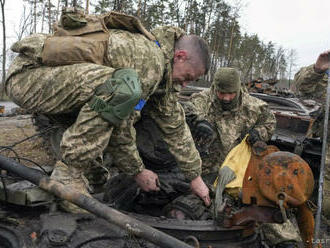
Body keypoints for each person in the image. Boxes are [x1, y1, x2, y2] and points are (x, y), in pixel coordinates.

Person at [5, 10, 211, 213]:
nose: (184, 85)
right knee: (123, 88)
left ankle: (90, 173)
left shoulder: (163, 72)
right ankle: (69, 174)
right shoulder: (150, 60)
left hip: (52, 81)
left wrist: (195, 177)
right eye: (188, 77)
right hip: (29, 77)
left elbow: (175, 126)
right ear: (180, 56)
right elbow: (123, 126)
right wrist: (137, 171)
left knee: (110, 104)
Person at [178, 68, 301, 248]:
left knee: (264, 200)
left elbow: (269, 123)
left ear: (239, 89)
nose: (226, 98)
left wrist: (258, 133)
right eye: (221, 93)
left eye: (231, 93)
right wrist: (197, 122)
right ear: (214, 88)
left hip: (244, 171)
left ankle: (285, 240)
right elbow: (187, 110)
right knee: (190, 207)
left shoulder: (254, 107)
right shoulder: (203, 100)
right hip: (208, 170)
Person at [294, 50, 330, 221]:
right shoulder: (323, 77)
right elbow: (301, 86)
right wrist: (318, 69)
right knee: (322, 205)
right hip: (323, 151)